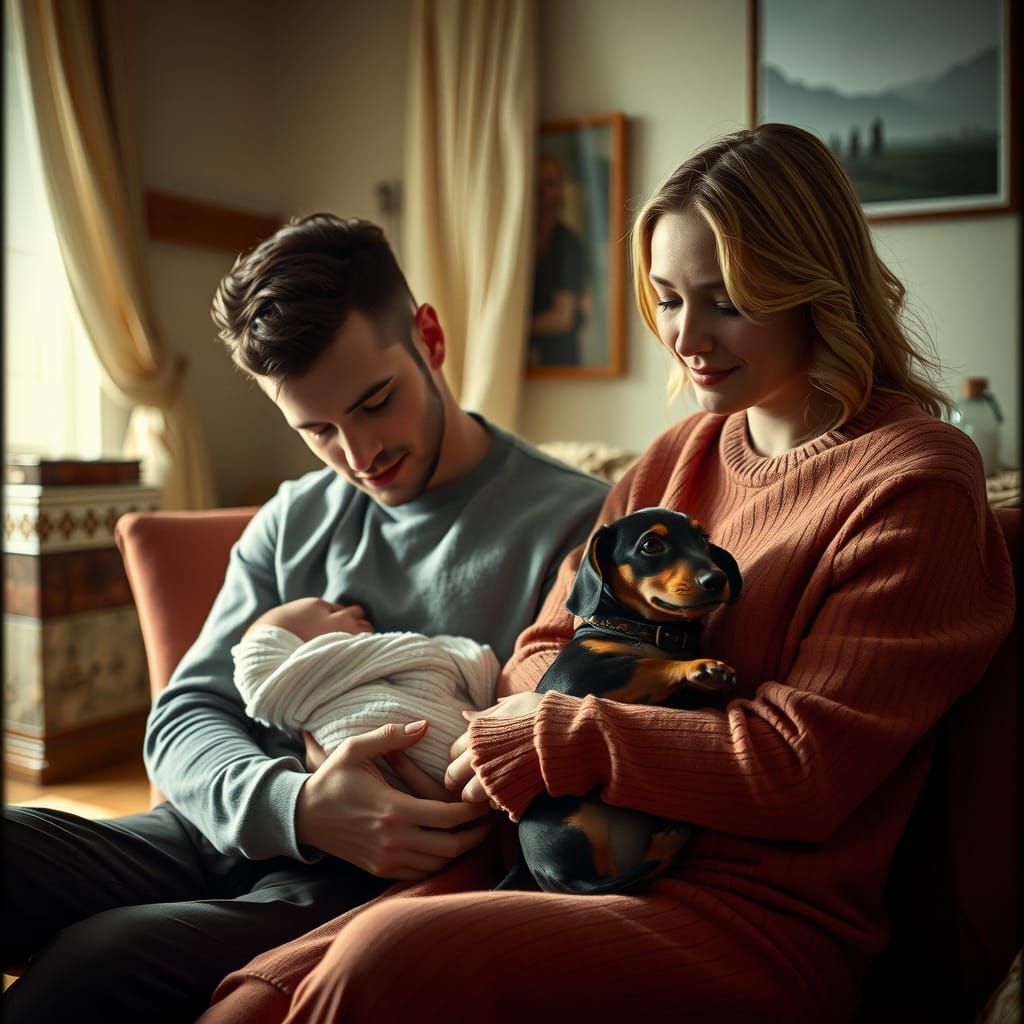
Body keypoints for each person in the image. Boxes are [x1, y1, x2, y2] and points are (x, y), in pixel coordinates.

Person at [197, 124, 1014, 1024]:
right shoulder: (675, 458)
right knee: (257, 997)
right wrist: (550, 721)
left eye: (726, 301)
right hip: (553, 858)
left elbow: (802, 765)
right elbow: (540, 653)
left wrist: (571, 736)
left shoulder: (915, 479)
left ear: (812, 287)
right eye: (665, 298)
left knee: (379, 966)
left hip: (751, 915)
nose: (686, 337)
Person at [2, 215, 609, 1023]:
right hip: (228, 825)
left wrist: (363, 822)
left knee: (91, 966)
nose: (358, 454)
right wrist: (297, 805)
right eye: (317, 430)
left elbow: (551, 764)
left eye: (374, 403)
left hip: (364, 883)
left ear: (429, 337)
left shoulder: (575, 528)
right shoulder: (295, 518)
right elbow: (185, 716)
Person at [233, 596, 499, 786]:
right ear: (304, 654)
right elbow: (438, 659)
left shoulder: (375, 671)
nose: (357, 607)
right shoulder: (326, 723)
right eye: (330, 610)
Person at [529, 153, 588, 367]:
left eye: (551, 184)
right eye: (538, 186)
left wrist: (514, 327)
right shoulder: (521, 243)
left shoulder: (567, 242)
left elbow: (563, 317)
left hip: (559, 358)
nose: (544, 193)